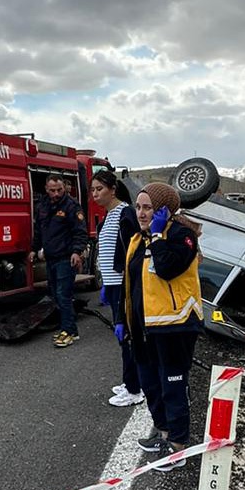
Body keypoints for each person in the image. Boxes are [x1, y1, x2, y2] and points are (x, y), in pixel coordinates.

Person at [120, 182, 203, 473]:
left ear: (165, 210)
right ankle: (163, 431)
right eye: (139, 207)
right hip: (144, 328)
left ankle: (178, 445)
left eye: (148, 208)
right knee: (149, 383)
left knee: (172, 386)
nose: (141, 213)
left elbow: (167, 268)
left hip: (175, 326)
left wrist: (157, 234)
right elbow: (129, 284)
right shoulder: (138, 239)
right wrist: (122, 319)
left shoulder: (183, 236)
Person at [90, 171, 142, 407]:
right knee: (122, 339)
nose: (95, 194)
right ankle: (130, 380)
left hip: (124, 285)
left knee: (128, 337)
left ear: (112, 188)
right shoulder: (108, 216)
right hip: (112, 285)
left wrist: (124, 284)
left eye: (99, 188)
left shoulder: (125, 213)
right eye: (92, 190)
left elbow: (133, 252)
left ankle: (135, 390)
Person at [29, 174, 88, 348]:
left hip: (65, 258)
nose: (56, 194)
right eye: (52, 190)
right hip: (51, 259)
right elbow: (39, 231)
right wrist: (33, 249)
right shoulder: (43, 207)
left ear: (65, 188)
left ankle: (70, 331)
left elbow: (80, 231)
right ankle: (67, 327)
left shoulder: (71, 206)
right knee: (55, 295)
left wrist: (77, 252)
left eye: (59, 190)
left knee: (64, 295)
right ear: (46, 189)